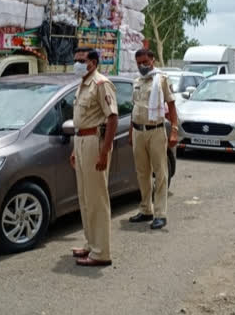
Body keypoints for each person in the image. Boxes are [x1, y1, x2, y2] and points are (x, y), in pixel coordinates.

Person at [70, 48, 119, 267]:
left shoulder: (101, 84)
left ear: (93, 62)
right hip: (81, 140)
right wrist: (74, 148)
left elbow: (112, 118)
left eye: (81, 60)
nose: (77, 64)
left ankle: (102, 253)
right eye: (76, 60)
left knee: (97, 199)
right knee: (85, 197)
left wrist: (104, 151)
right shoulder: (82, 83)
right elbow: (81, 120)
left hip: (94, 142)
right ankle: (91, 244)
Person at [127, 49, 179, 230]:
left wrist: (174, 130)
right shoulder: (137, 81)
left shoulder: (162, 79)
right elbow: (134, 108)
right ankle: (145, 209)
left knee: (160, 173)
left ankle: (160, 214)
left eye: (145, 62)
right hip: (138, 131)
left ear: (152, 60)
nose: (142, 66)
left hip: (156, 131)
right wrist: (129, 132)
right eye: (139, 62)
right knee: (142, 173)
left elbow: (171, 105)